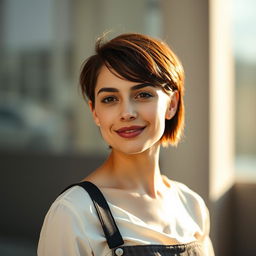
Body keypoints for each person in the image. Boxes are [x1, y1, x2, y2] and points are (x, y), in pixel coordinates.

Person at [37, 33, 215, 256]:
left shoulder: (191, 204)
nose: (127, 113)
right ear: (95, 112)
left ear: (172, 104)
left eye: (142, 94)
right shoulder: (74, 212)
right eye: (110, 99)